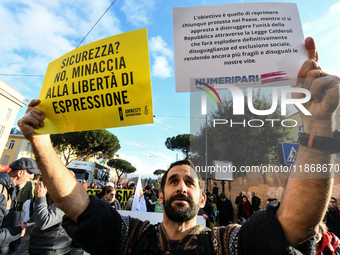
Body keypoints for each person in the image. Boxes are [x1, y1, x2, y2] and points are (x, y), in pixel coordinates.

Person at [17, 37, 340, 254]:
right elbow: (74, 202)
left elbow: (294, 224)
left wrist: (317, 126)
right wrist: (42, 142)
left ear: (202, 199)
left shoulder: (225, 244)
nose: (182, 186)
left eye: (189, 182)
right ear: (160, 195)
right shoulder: (131, 236)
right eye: (173, 181)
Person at [0, 157, 40, 255]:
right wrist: (18, 231)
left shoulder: (10, 189)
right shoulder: (2, 190)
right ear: (20, 173)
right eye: (30, 175)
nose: (31, 178)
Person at [28, 180, 72, 255]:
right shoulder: (57, 200)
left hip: (51, 250)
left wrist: (40, 198)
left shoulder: (66, 203)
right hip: (43, 248)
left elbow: (43, 222)